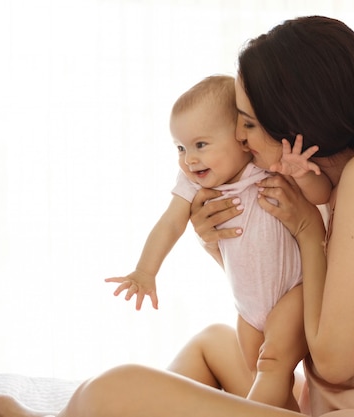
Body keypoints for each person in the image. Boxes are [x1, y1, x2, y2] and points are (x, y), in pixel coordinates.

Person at [0, 15, 354, 417]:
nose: (238, 135)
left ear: (293, 123)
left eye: (248, 122)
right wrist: (217, 243)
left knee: (117, 386)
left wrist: (306, 229)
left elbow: (335, 360)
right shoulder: (335, 179)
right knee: (211, 343)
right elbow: (289, 289)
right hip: (325, 402)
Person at [104, 74, 331, 411]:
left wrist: (301, 173)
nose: (189, 159)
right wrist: (145, 271)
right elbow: (170, 224)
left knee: (271, 364)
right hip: (249, 308)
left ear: (240, 138)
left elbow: (321, 196)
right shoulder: (191, 184)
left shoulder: (265, 167)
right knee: (261, 375)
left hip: (293, 292)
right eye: (180, 148)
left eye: (200, 145)